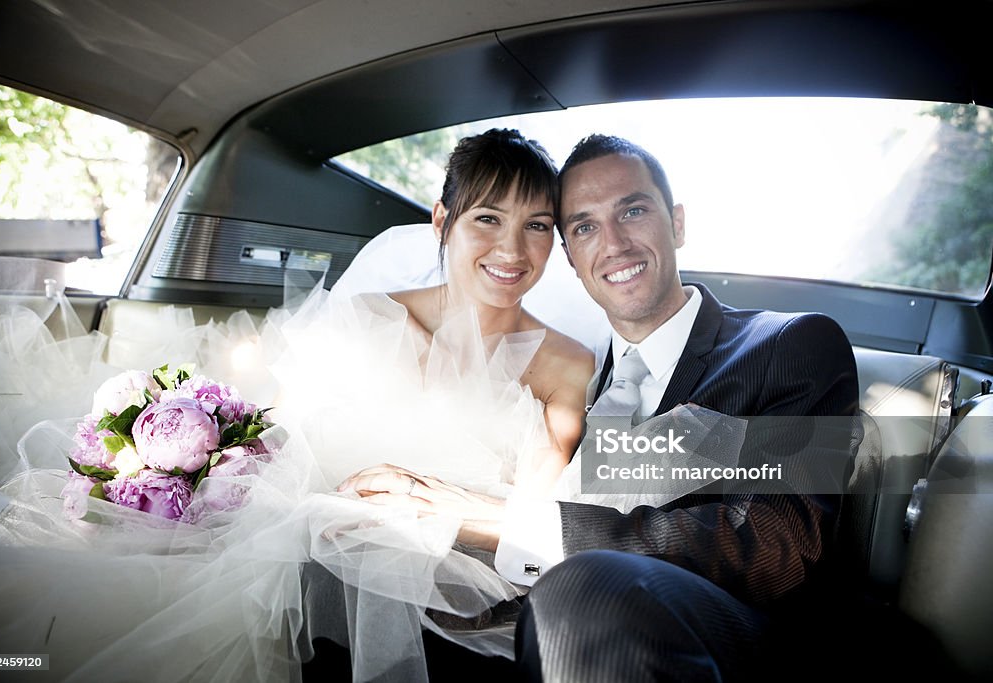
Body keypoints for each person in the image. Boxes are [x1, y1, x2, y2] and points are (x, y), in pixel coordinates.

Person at [0, 128, 597, 683]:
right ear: (443, 222)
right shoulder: (367, 318)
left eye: (537, 225)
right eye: (487, 218)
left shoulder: (566, 363)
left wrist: (419, 512)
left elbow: (533, 516)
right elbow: (280, 446)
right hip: (309, 542)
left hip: (457, 568)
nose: (513, 249)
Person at [341, 134, 861, 681]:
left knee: (582, 587)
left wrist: (501, 523)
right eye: (584, 227)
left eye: (632, 211)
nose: (613, 244)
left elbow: (780, 545)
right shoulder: (574, 380)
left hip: (726, 639)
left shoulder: (787, 345)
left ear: (677, 223)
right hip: (544, 627)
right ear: (568, 254)